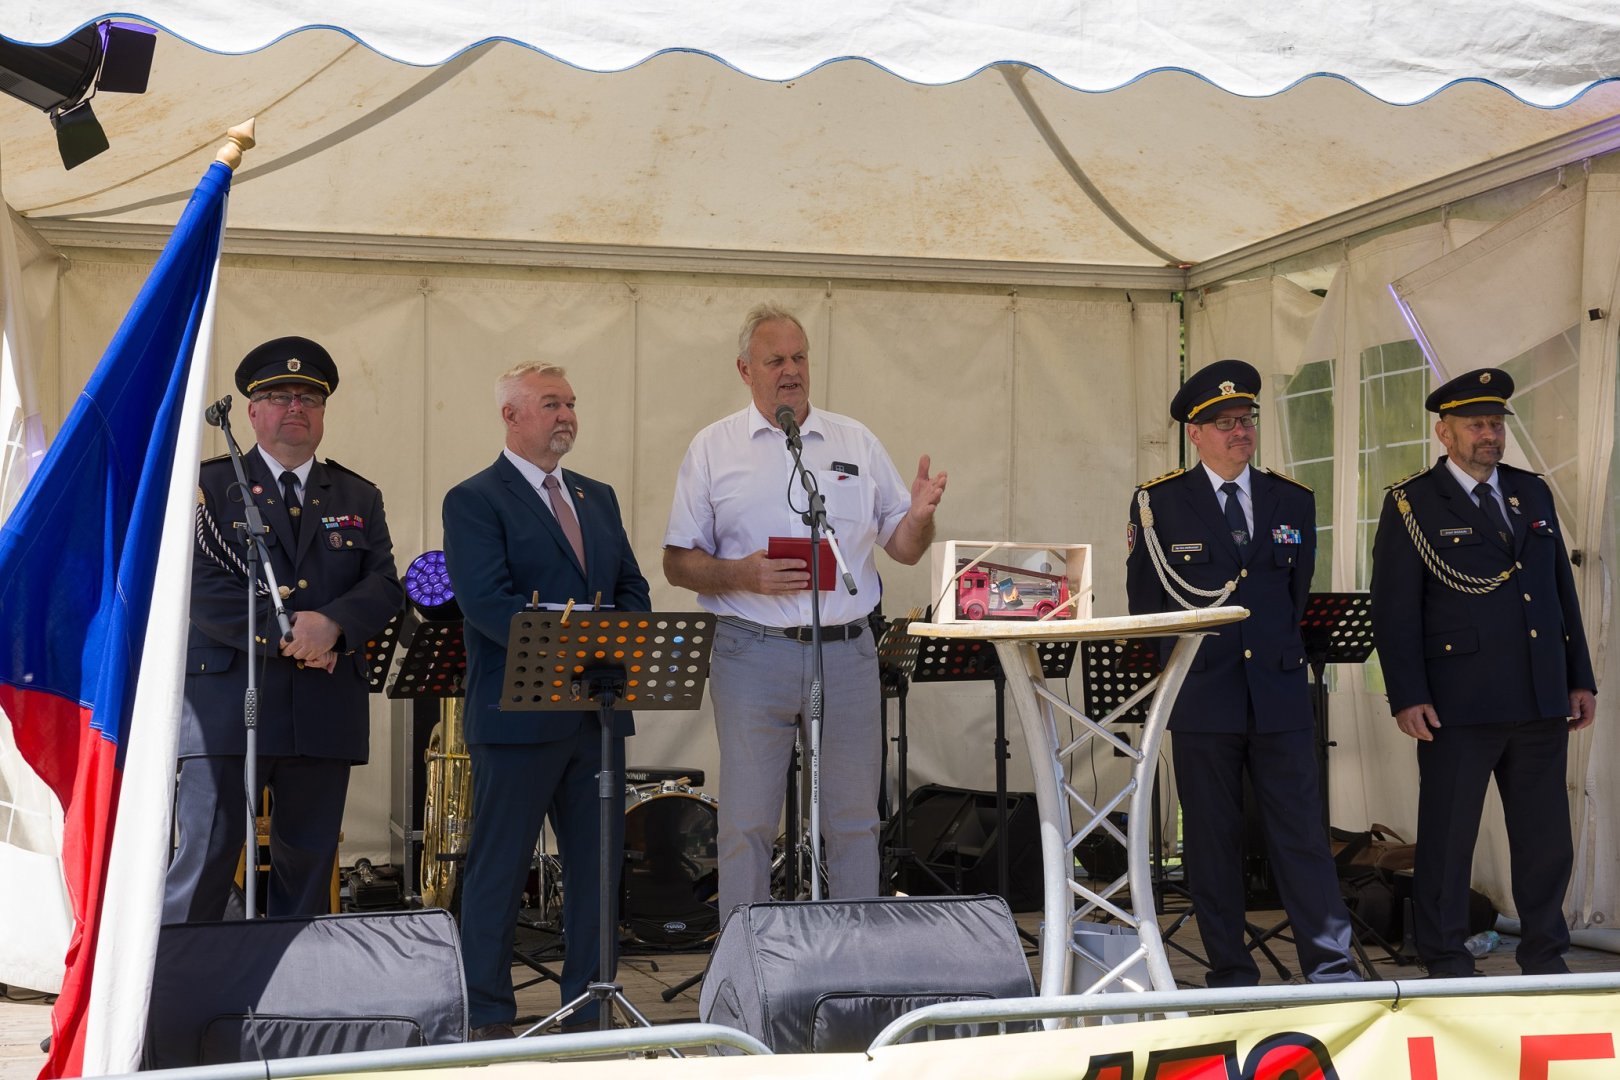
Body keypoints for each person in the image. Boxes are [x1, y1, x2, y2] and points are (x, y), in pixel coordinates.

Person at [662, 302, 946, 924]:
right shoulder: (713, 448)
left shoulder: (854, 441)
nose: (790, 371)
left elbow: (902, 547)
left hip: (845, 650)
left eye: (799, 358)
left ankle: (854, 956)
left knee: (855, 819)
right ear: (745, 370)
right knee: (747, 821)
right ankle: (746, 959)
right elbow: (677, 561)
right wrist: (741, 575)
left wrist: (921, 518)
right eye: (775, 361)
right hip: (750, 651)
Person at [1125, 358, 1357, 987]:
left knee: (1302, 835)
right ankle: (1230, 972)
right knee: (1211, 841)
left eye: (1246, 419)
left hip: (1278, 693)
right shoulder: (1158, 503)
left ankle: (1331, 968)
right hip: (1203, 694)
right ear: (1195, 434)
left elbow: (1294, 597)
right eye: (1224, 423)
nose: (1240, 431)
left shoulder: (1292, 499)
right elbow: (1147, 607)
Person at [444, 361, 650, 1040]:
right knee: (499, 870)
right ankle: (486, 1014)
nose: (567, 416)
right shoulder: (475, 499)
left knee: (597, 871)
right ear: (511, 415)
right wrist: (579, 645)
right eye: (551, 404)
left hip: (596, 717)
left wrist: (609, 641)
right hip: (517, 719)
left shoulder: (599, 496)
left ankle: (591, 1011)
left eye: (571, 404)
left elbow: (632, 588)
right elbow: (485, 603)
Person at [1370, 367, 1595, 978]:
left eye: (1496, 423)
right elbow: (1394, 609)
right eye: (1476, 425)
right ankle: (1445, 958)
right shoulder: (1412, 502)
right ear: (1445, 433)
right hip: (1458, 701)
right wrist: (1407, 694)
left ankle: (1544, 954)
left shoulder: (1530, 492)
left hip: (1539, 694)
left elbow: (1559, 591)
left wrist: (1579, 677)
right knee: (1449, 839)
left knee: (1545, 839)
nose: (1490, 435)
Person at [168, 336, 402, 922]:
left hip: (324, 710)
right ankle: (179, 976)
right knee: (205, 861)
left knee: (308, 873)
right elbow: (198, 587)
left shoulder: (358, 494)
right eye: (279, 396)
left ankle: (293, 978)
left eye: (308, 398)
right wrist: (293, 636)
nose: (295, 407)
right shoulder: (205, 487)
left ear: (322, 413)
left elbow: (383, 585)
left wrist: (334, 625)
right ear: (252, 412)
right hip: (227, 709)